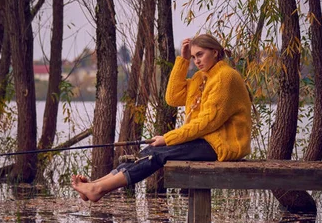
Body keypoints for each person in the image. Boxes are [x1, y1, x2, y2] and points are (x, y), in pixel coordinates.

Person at [71, 34, 252, 203]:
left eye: (200, 55)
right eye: (193, 56)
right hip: (206, 140)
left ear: (215, 52)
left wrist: (168, 138)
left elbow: (207, 122)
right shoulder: (201, 78)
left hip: (222, 145)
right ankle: (97, 185)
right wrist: (183, 61)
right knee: (151, 150)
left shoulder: (225, 77)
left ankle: (98, 188)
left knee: (158, 154)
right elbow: (173, 98)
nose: (196, 60)